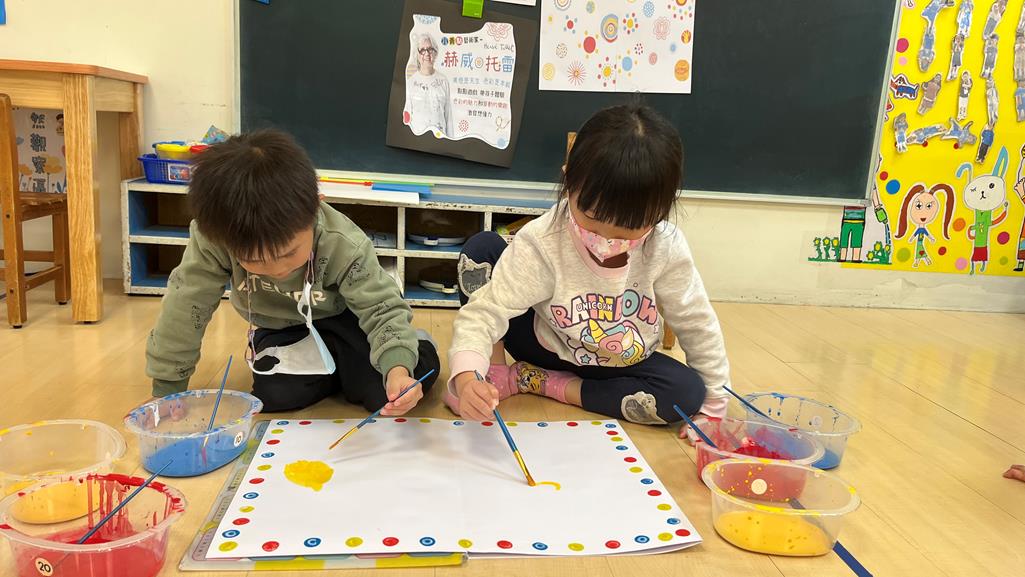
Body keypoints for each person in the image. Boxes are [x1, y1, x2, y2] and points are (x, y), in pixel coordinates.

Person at [445, 104, 730, 432]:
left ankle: (543, 383)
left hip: (620, 362)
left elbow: (695, 322)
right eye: (591, 218)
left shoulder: (666, 246)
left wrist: (714, 406)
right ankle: (497, 374)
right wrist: (468, 378)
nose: (605, 240)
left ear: (662, 210)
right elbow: (486, 311)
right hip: (545, 345)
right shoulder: (543, 239)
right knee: (482, 249)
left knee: (686, 393)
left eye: (628, 229)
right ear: (569, 179)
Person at [146, 130, 439, 414]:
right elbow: (186, 306)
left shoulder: (342, 242)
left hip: (348, 320)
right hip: (282, 328)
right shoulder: (215, 238)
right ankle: (337, 370)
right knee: (275, 395)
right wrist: (168, 386)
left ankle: (413, 345)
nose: (278, 269)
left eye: (288, 253)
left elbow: (380, 307)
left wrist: (397, 367)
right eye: (254, 260)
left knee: (384, 392)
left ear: (315, 209)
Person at [405, 33, 453, 137]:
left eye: (430, 49)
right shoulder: (411, 82)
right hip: (417, 139)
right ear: (417, 55)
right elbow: (407, 116)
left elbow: (448, 117)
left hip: (440, 138)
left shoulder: (443, 81)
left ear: (435, 53)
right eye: (422, 50)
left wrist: (450, 141)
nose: (427, 54)